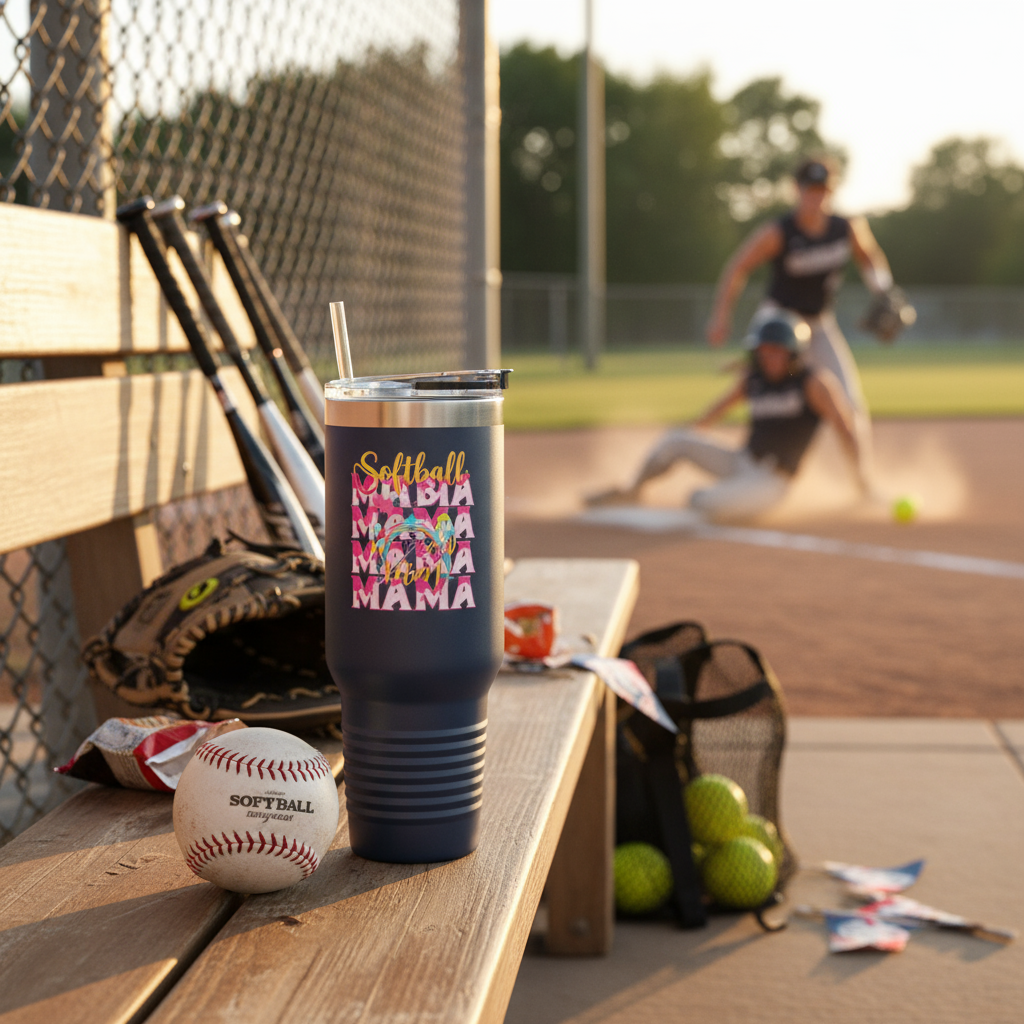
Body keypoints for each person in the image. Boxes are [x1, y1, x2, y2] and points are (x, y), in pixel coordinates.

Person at [706, 156, 895, 480]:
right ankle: (732, 460)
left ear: (832, 191)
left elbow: (870, 258)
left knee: (849, 403)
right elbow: (737, 267)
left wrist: (884, 290)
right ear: (797, 190)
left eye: (823, 190)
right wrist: (720, 316)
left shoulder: (846, 227)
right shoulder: (779, 231)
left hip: (819, 324)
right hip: (778, 324)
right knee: (759, 397)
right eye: (810, 190)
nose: (816, 197)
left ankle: (863, 480)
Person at [586, 312, 867, 522]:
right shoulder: (753, 379)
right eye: (763, 350)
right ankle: (633, 491)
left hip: (772, 481)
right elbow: (715, 413)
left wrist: (860, 483)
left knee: (703, 502)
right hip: (741, 460)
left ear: (793, 354)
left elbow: (845, 429)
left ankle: (728, 494)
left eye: (776, 351)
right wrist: (689, 441)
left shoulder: (814, 383)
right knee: (675, 439)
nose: (768, 357)